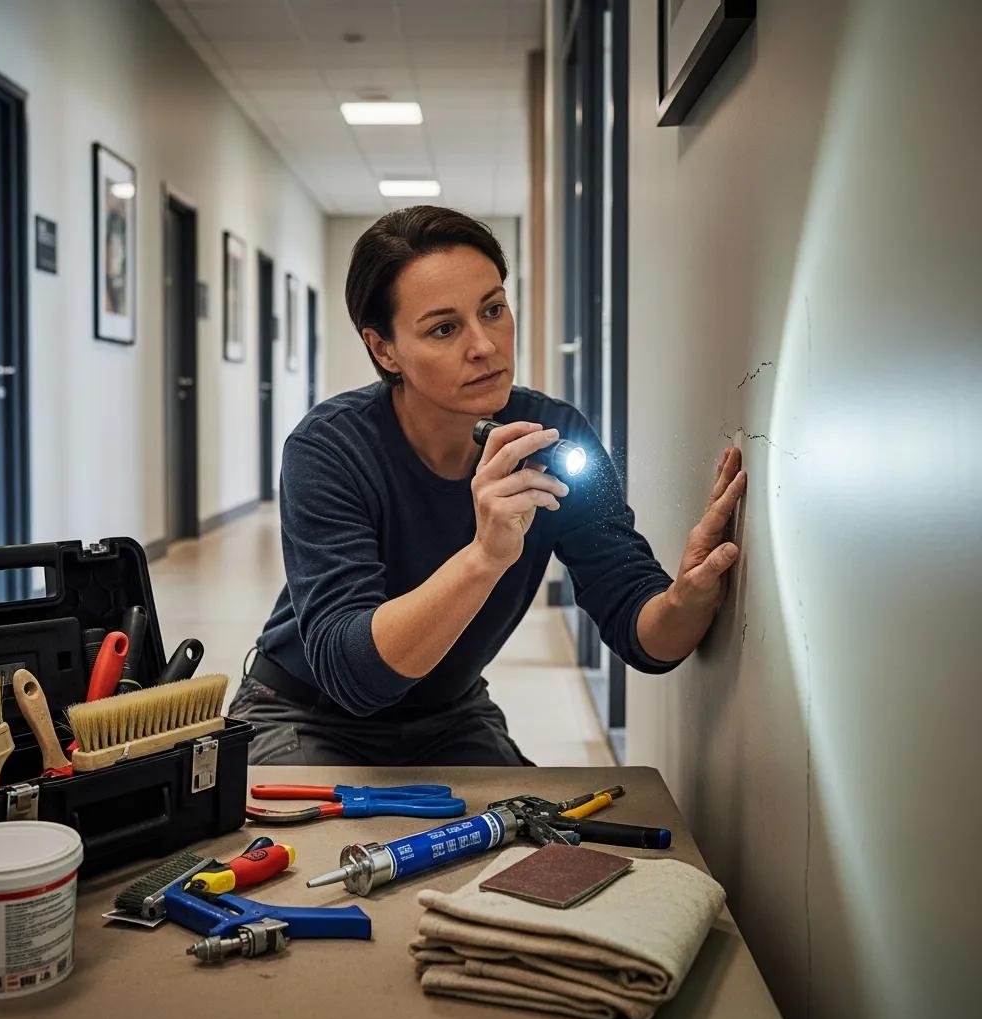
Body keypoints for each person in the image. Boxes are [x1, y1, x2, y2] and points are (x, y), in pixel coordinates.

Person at [228, 206, 747, 766]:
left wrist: (687, 599)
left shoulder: (555, 435)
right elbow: (354, 677)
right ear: (384, 349)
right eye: (444, 328)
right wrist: (485, 556)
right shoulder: (330, 448)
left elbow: (642, 636)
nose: (484, 345)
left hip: (448, 715)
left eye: (493, 309)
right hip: (307, 713)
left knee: (547, 850)